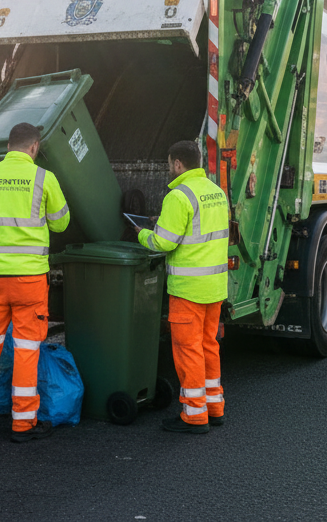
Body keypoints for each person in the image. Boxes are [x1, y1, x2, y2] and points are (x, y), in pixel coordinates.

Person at [0, 123, 70, 442]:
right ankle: (23, 422)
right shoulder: (44, 178)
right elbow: (62, 222)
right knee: (26, 349)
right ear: (35, 147)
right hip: (29, 279)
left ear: (8, 145)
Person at [137, 140, 229, 434]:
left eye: (169, 164)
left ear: (177, 163)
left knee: (188, 351)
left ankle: (194, 416)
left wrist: (141, 234)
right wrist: (161, 222)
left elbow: (163, 242)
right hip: (214, 288)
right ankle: (214, 408)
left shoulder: (178, 197)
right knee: (209, 347)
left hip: (188, 291)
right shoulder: (217, 193)